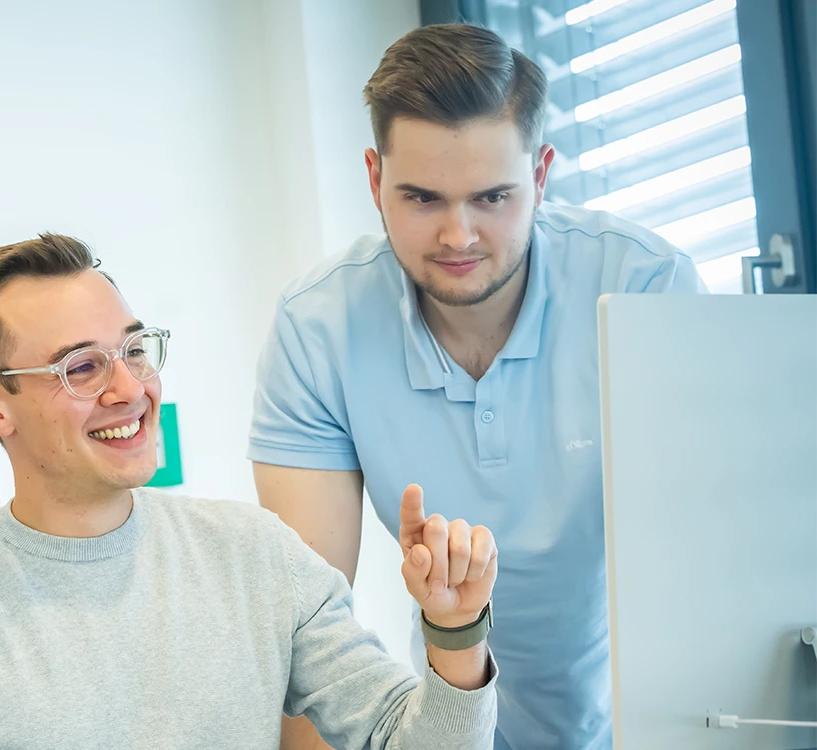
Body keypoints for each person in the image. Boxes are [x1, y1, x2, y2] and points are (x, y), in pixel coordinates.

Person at [0, 234, 501, 749]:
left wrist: (455, 631)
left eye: (134, 350)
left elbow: (402, 738)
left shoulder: (256, 555)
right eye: (82, 367)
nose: (130, 389)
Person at [249, 24, 706, 750]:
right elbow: (311, 635)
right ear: (374, 180)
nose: (458, 236)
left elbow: (713, 572)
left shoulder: (646, 288)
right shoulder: (317, 328)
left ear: (542, 175)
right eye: (422, 198)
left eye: (492, 197)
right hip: (454, 725)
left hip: (655, 725)